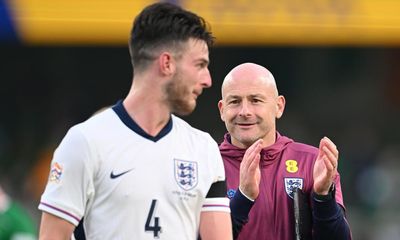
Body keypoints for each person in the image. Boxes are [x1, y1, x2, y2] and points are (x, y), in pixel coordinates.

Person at [38, 3, 232, 239]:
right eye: (200, 64)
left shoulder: (204, 148)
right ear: (167, 63)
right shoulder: (85, 142)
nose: (208, 80)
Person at [217, 62, 352, 239]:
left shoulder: (312, 162)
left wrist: (323, 197)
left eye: (255, 100)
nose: (244, 111)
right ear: (222, 109)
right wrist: (244, 198)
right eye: (234, 101)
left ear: (279, 106)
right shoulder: (207, 166)